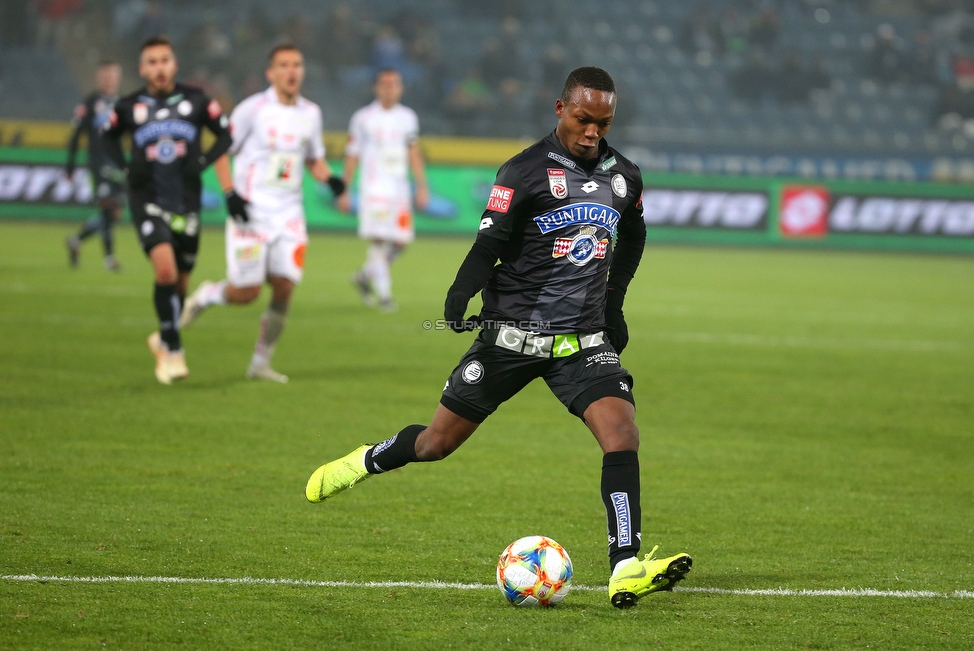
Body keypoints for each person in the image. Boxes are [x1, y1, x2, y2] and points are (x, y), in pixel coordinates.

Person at [305, 67, 692, 609]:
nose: (591, 133)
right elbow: (490, 242)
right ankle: (365, 460)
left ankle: (625, 565)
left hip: (580, 342)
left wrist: (613, 303)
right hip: (511, 336)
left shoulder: (623, 176)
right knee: (435, 444)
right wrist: (460, 293)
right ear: (560, 108)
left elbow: (633, 240)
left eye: (602, 123)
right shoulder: (524, 170)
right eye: (583, 119)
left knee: (622, 434)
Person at [180, 44, 346, 383]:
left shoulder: (310, 113)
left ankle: (260, 362)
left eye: (297, 64)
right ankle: (207, 295)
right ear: (270, 73)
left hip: (289, 215)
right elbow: (222, 149)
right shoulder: (252, 109)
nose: (292, 71)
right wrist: (229, 193)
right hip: (251, 213)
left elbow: (312, 157)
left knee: (284, 287)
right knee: (247, 293)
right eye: (284, 65)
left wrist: (330, 179)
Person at [102, 35, 234, 385]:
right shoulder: (128, 106)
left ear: (174, 64)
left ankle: (162, 336)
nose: (159, 68)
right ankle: (173, 351)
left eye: (165, 60)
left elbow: (225, 135)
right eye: (152, 61)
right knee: (165, 273)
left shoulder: (197, 100)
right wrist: (126, 170)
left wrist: (204, 161)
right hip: (147, 199)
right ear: (142, 68)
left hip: (186, 201)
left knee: (180, 285)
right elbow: (107, 137)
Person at [339, 68, 428, 312]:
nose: (389, 88)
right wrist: (344, 189)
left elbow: (413, 150)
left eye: (394, 84)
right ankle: (385, 297)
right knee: (379, 241)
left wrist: (421, 185)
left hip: (399, 189)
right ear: (376, 88)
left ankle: (364, 275)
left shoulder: (408, 117)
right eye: (384, 84)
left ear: (400, 88)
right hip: (373, 188)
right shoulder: (363, 118)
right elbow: (352, 154)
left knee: (401, 242)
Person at [65, 60, 126, 272]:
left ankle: (76, 239)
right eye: (107, 75)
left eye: (114, 75)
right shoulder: (90, 102)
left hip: (117, 164)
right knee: (108, 207)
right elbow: (76, 136)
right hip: (99, 164)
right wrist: (70, 167)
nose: (111, 79)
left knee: (113, 213)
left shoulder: (120, 103)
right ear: (100, 78)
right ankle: (109, 259)